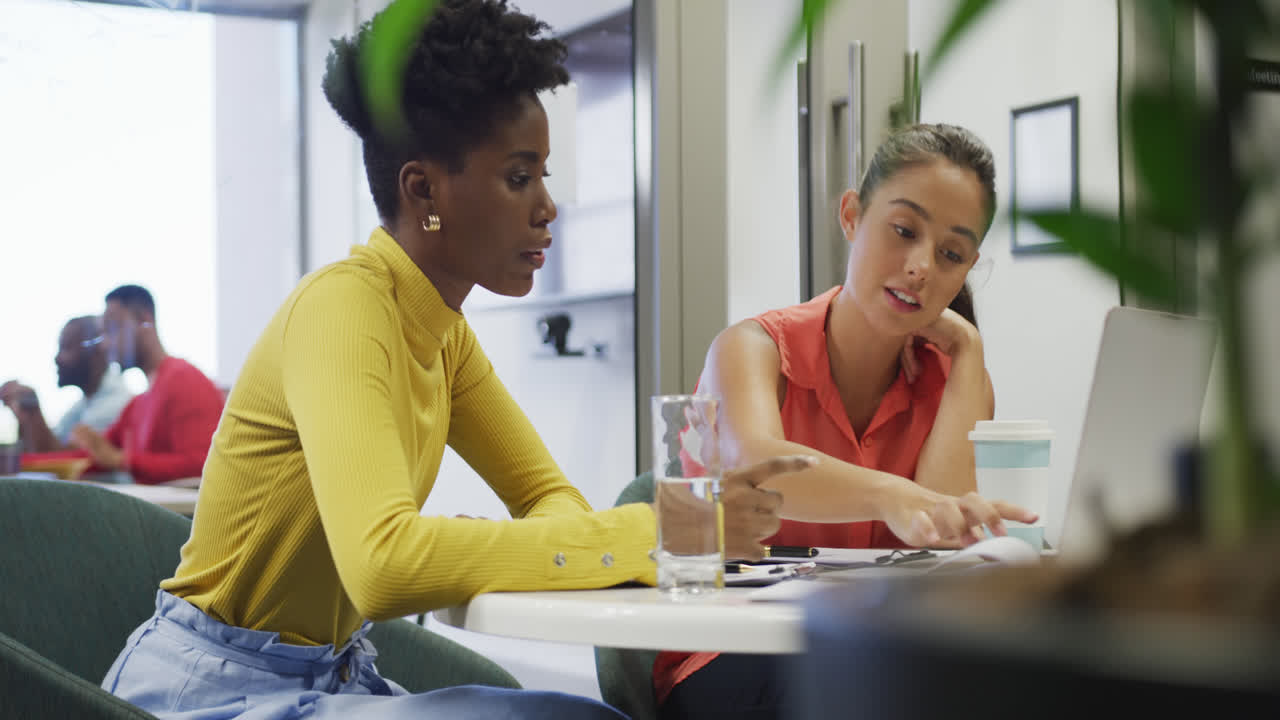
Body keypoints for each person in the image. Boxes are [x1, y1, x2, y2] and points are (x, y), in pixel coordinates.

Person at [99, 2, 810, 718]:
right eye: (518, 177)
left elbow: (548, 499)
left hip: (331, 675)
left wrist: (598, 535)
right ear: (423, 191)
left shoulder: (443, 334)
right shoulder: (344, 310)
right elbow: (384, 566)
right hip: (209, 690)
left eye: (543, 175)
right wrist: (657, 530)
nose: (548, 207)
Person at [653, 124, 1041, 720]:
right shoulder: (752, 348)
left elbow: (939, 528)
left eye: (951, 255)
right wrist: (890, 496)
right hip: (734, 654)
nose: (920, 268)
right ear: (853, 216)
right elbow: (760, 467)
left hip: (878, 655)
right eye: (905, 231)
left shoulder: (956, 380)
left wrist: (968, 356)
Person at [24, 285, 225, 484]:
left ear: (144, 321)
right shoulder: (138, 403)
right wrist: (21, 462)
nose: (105, 344)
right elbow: (90, 457)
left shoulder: (185, 380)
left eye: (113, 329)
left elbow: (202, 464)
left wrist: (122, 460)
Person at [1, 315, 133, 452]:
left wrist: (33, 410)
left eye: (66, 347)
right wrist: (26, 417)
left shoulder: (116, 403)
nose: (57, 358)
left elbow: (64, 459)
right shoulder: (84, 404)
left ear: (95, 352)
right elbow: (49, 445)